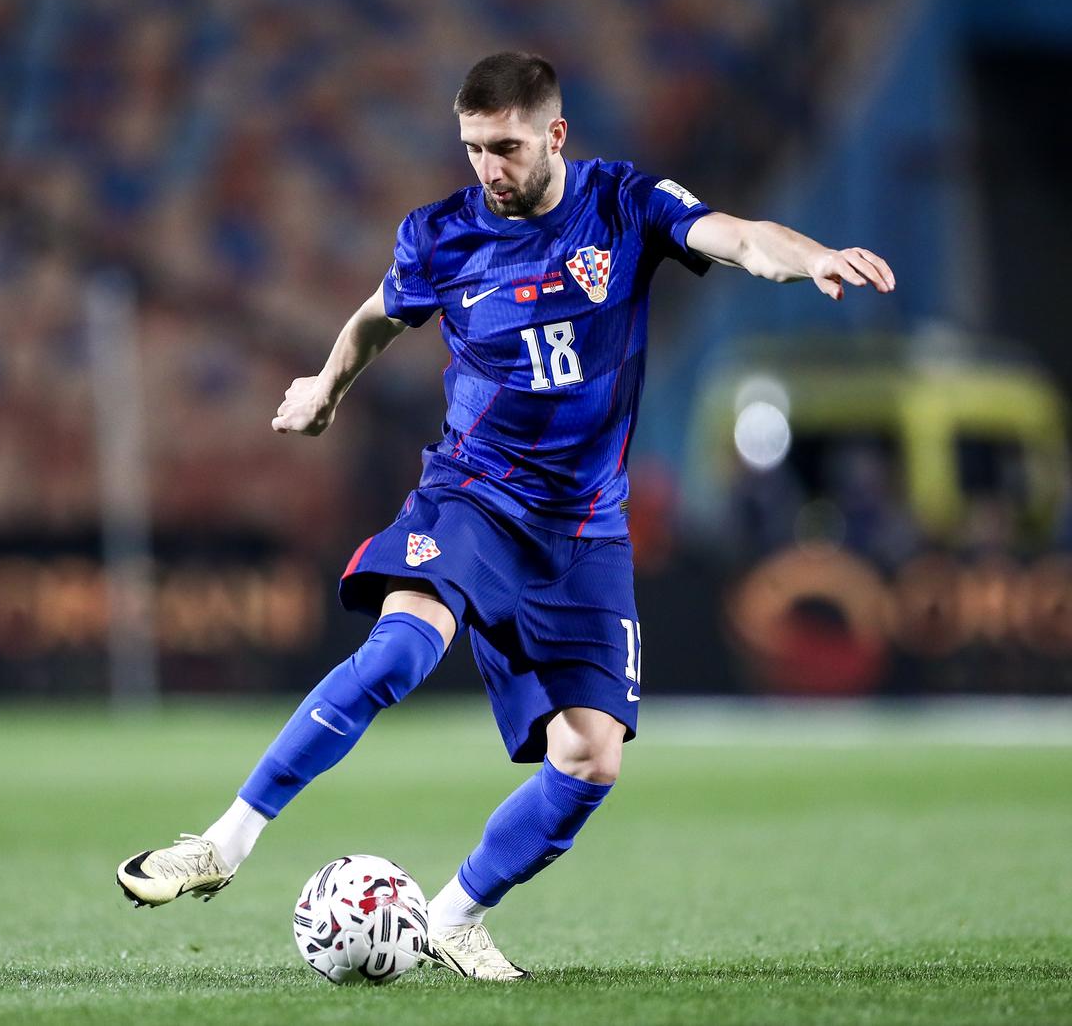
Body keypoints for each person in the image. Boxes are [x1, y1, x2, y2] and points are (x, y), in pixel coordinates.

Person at [116, 51, 895, 980]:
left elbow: (735, 236)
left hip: (585, 528)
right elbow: (375, 315)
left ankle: (451, 916)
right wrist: (326, 387)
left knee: (591, 756)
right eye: (475, 147)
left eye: (508, 147)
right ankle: (222, 842)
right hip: (474, 495)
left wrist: (810, 260)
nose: (490, 167)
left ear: (554, 135)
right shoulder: (440, 235)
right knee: (401, 649)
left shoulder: (622, 203)